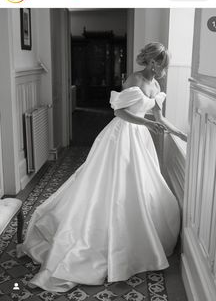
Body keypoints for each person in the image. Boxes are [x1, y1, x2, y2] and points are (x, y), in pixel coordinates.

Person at [17, 42, 187, 292]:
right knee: (110, 185)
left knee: (140, 187)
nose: (165, 70)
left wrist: (179, 132)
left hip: (140, 140)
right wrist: (146, 124)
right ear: (153, 62)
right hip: (121, 137)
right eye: (163, 65)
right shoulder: (135, 80)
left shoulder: (157, 85)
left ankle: (135, 238)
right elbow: (120, 113)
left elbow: (159, 118)